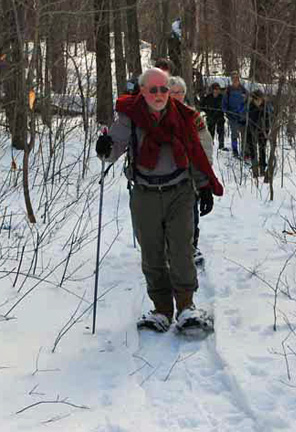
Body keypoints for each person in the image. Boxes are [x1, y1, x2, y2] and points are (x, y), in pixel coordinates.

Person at [96, 68, 223, 332]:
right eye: (152, 89)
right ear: (142, 91)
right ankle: (162, 309)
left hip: (180, 191)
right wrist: (105, 148)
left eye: (163, 89)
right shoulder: (130, 116)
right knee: (152, 253)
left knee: (181, 250)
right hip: (145, 194)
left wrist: (205, 186)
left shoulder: (183, 116)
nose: (159, 94)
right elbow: (114, 149)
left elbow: (196, 151)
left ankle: (186, 306)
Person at [169, 75, 213, 267]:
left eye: (179, 92)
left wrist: (205, 172)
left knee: (190, 214)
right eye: (171, 92)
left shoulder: (193, 116)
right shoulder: (156, 115)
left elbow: (205, 144)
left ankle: (191, 247)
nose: (175, 96)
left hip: (190, 174)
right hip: (167, 175)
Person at [246, 89, 273, 177]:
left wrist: (266, 130)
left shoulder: (266, 108)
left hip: (262, 131)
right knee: (253, 150)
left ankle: (262, 168)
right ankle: (255, 170)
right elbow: (247, 120)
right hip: (251, 131)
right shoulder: (250, 107)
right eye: (256, 100)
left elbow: (268, 120)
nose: (258, 101)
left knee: (262, 149)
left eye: (260, 99)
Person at [222, 70, 248, 157]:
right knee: (234, 135)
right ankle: (235, 150)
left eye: (237, 78)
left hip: (242, 116)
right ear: (231, 79)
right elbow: (224, 102)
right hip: (232, 116)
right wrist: (226, 111)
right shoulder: (228, 90)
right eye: (233, 78)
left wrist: (243, 110)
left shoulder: (243, 90)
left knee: (244, 135)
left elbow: (247, 102)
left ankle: (244, 151)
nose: (235, 79)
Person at [200, 83, 227, 151]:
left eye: (218, 89)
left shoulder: (222, 97)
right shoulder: (208, 97)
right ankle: (210, 144)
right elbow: (202, 106)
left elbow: (225, 106)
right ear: (213, 90)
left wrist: (223, 109)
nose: (216, 91)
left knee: (221, 131)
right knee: (210, 132)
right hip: (211, 117)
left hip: (220, 117)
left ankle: (221, 145)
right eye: (215, 89)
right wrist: (207, 111)